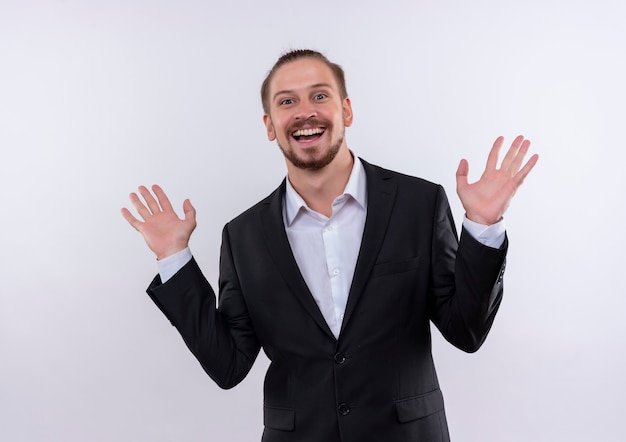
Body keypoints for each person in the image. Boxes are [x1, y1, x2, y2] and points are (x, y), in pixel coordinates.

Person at [121, 49, 538, 441]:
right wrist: (173, 258)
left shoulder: (419, 204)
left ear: (346, 110)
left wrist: (483, 227)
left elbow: (466, 330)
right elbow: (228, 364)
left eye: (319, 95)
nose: (304, 112)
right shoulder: (243, 235)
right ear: (269, 125)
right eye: (286, 102)